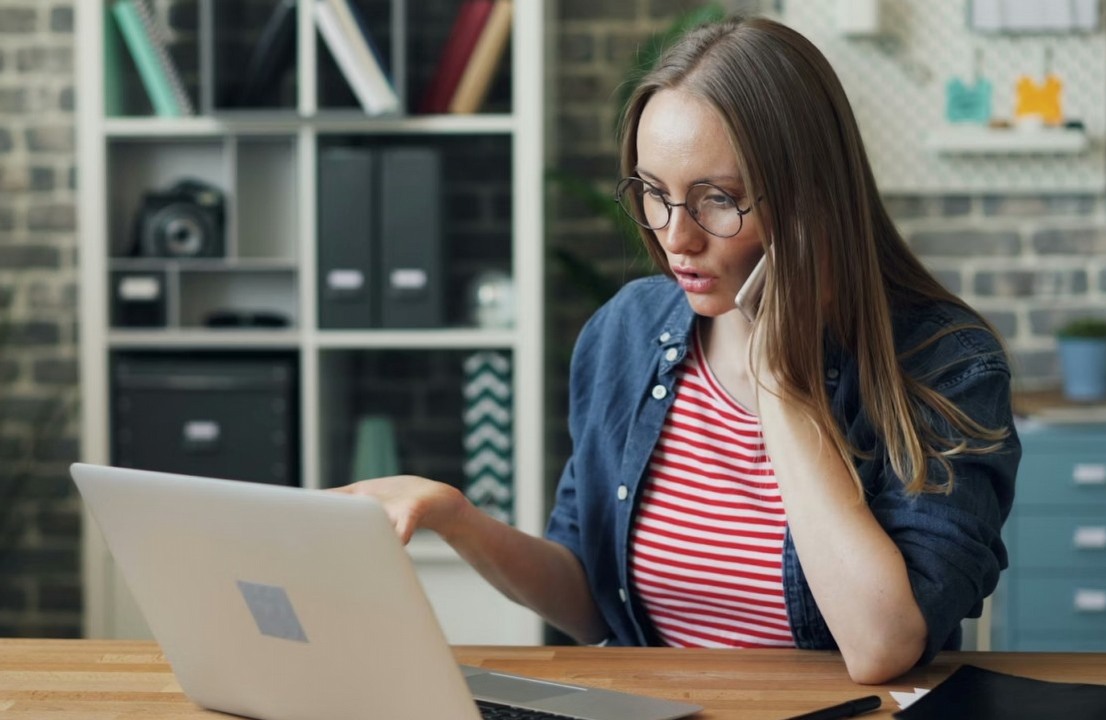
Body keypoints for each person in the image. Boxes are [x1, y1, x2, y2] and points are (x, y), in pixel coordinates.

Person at [334, 15, 1019, 684]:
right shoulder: (626, 331)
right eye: (653, 194)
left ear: (812, 201)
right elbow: (589, 600)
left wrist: (780, 380)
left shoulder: (943, 362)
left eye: (717, 199)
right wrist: (458, 518)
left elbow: (882, 646)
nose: (675, 238)